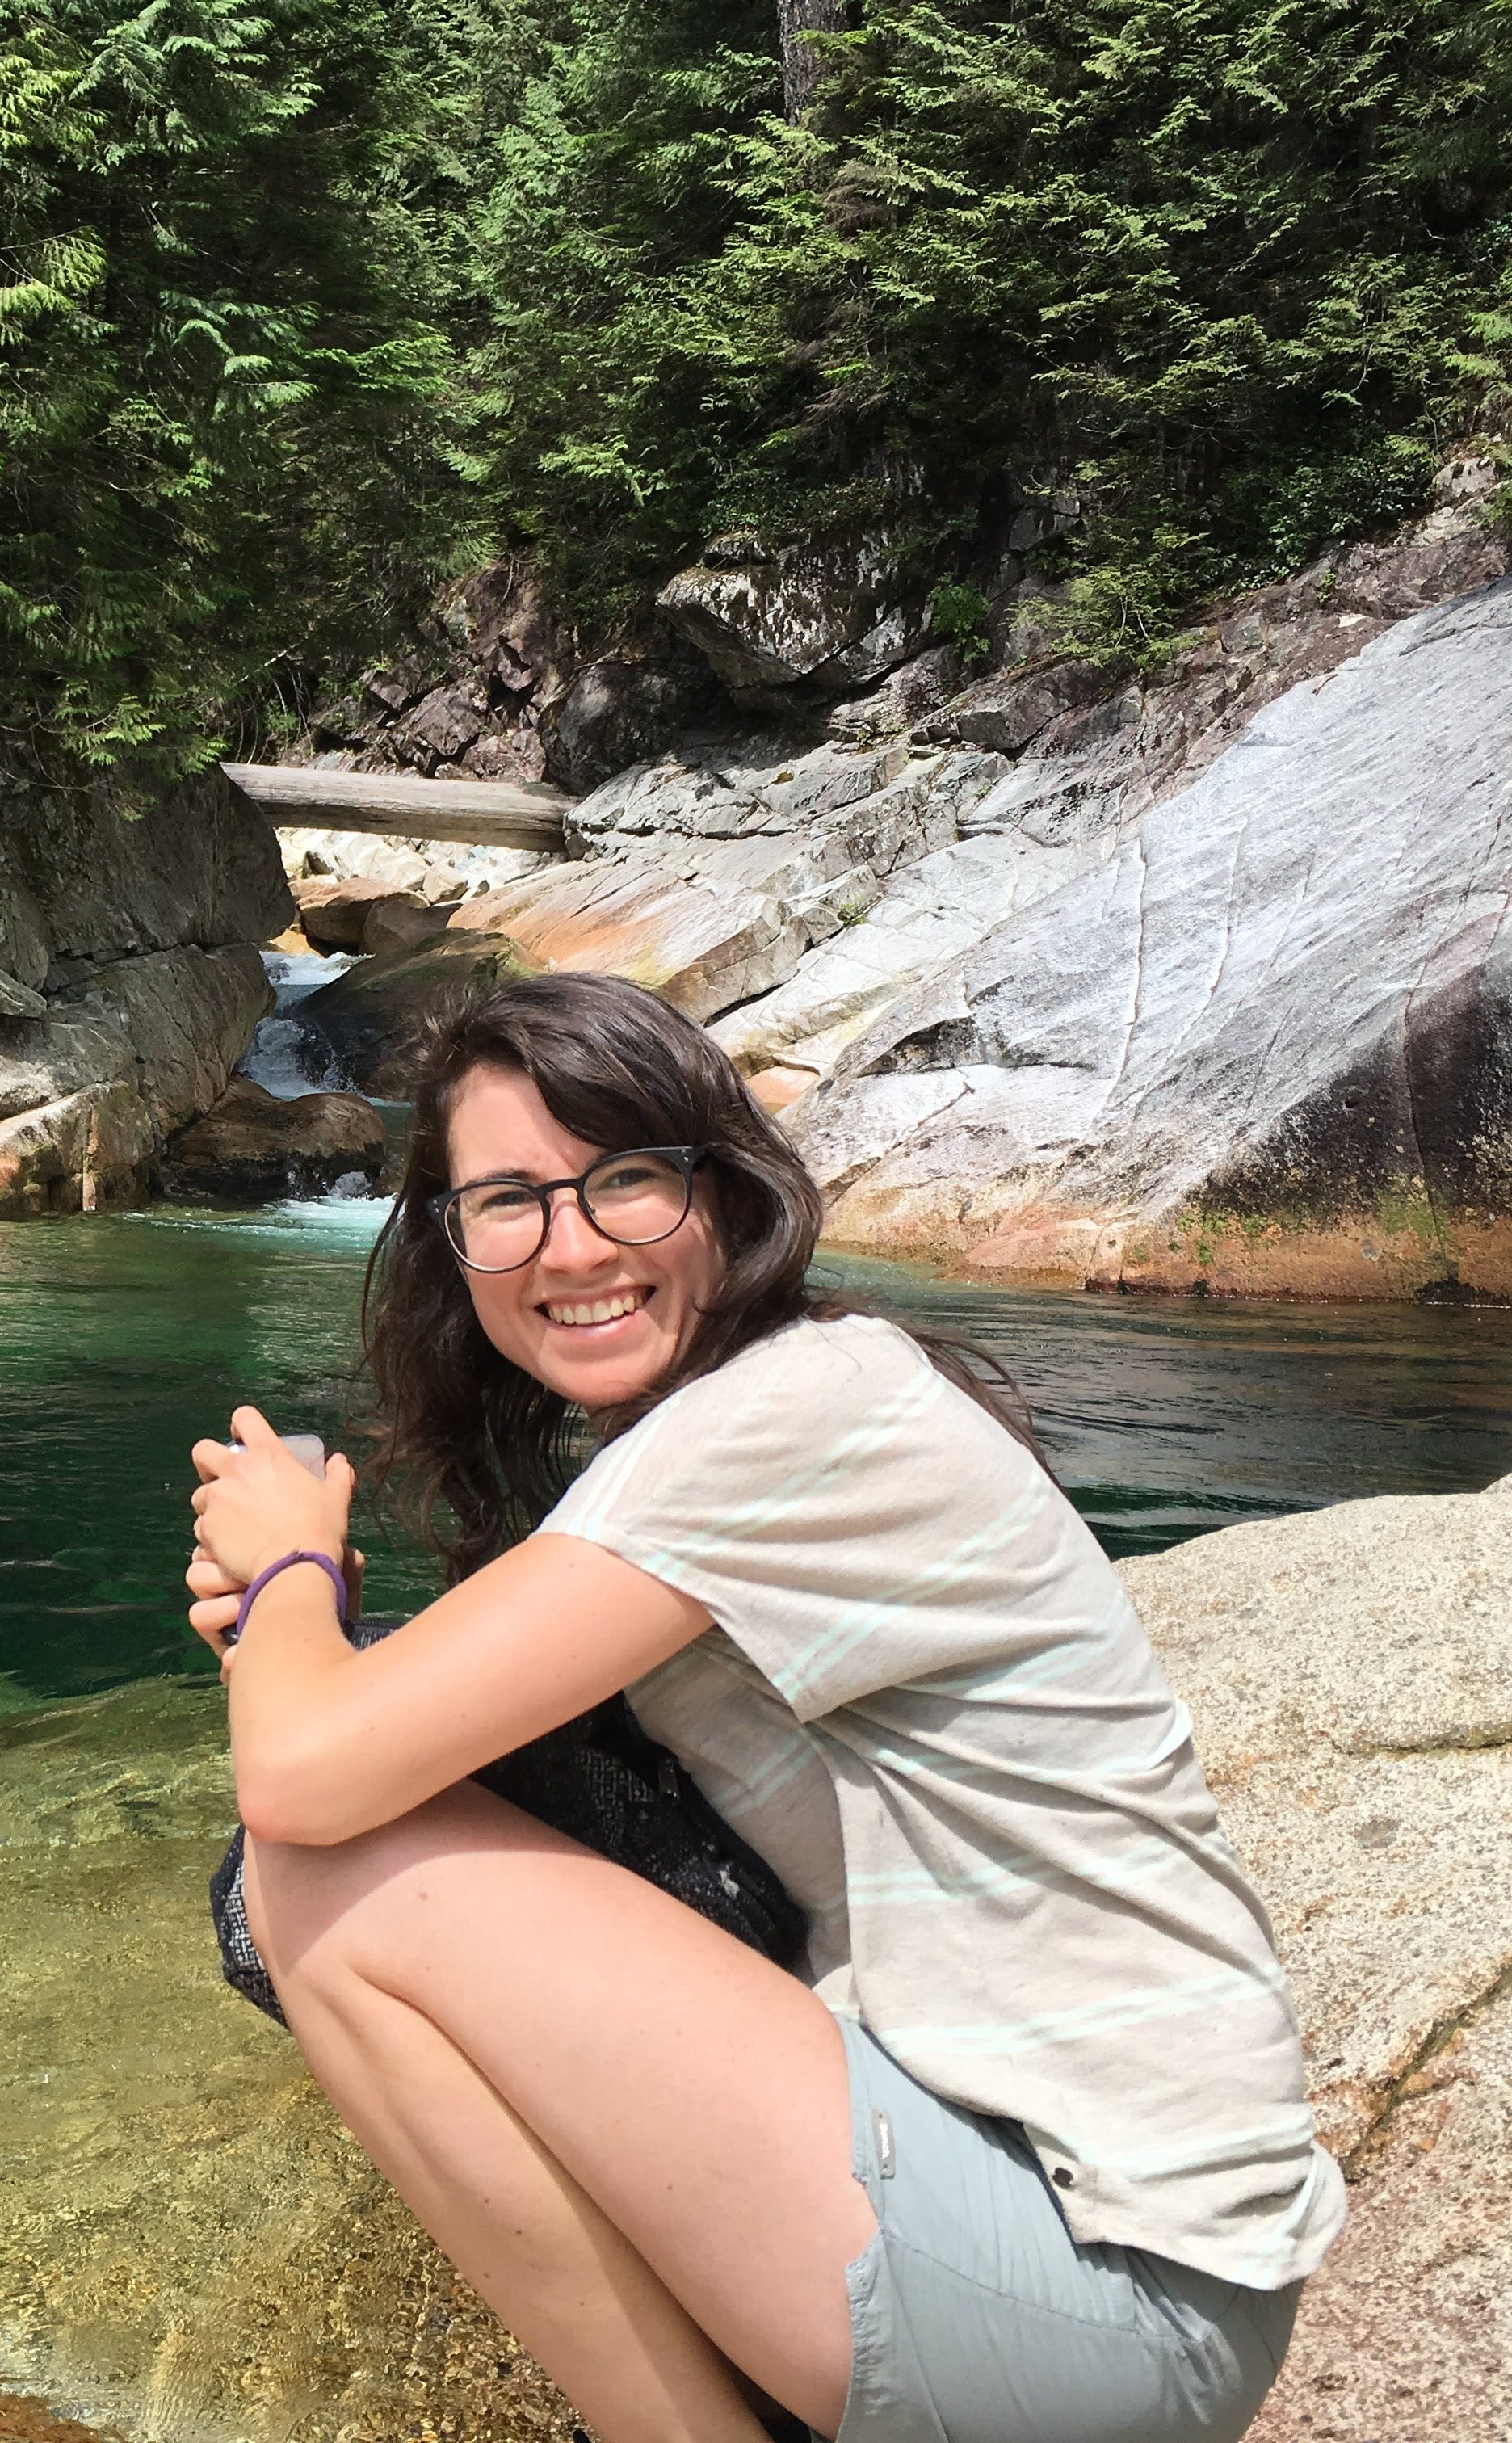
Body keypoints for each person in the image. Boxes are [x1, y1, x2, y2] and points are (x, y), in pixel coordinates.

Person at [183, 973, 1338, 2443]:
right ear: (453, 1246)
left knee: (328, 1875)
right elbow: (413, 1739)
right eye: (508, 1203)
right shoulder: (754, 1414)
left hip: (1110, 2290)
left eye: (625, 1183)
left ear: (724, 1195)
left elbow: (304, 1780)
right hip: (1041, 2238)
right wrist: (323, 1634)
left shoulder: (794, 1414)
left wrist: (290, 1564)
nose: (572, 1245)